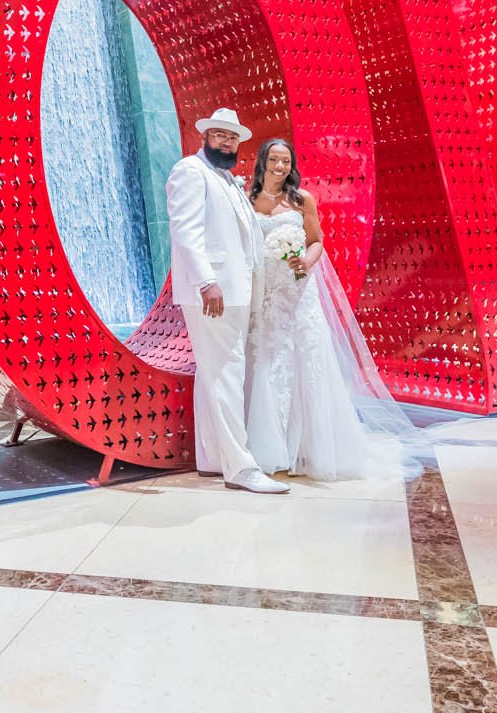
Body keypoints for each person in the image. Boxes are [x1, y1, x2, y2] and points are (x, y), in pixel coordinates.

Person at [242, 140, 423, 481]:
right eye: (274, 160)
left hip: (297, 293)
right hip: (265, 295)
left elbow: (316, 241)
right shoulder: (249, 201)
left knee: (304, 363)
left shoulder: (301, 200)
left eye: (286, 161)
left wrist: (304, 265)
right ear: (262, 162)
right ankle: (269, 446)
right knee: (265, 360)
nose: (280, 167)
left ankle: (309, 448)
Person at [165, 107, 286, 495]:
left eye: (232, 137)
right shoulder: (190, 171)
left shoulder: (230, 181)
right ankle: (241, 468)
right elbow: (186, 230)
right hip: (214, 292)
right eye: (219, 135)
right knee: (228, 373)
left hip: (236, 290)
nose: (226, 142)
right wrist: (206, 282)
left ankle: (213, 458)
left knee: (213, 374)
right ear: (206, 137)